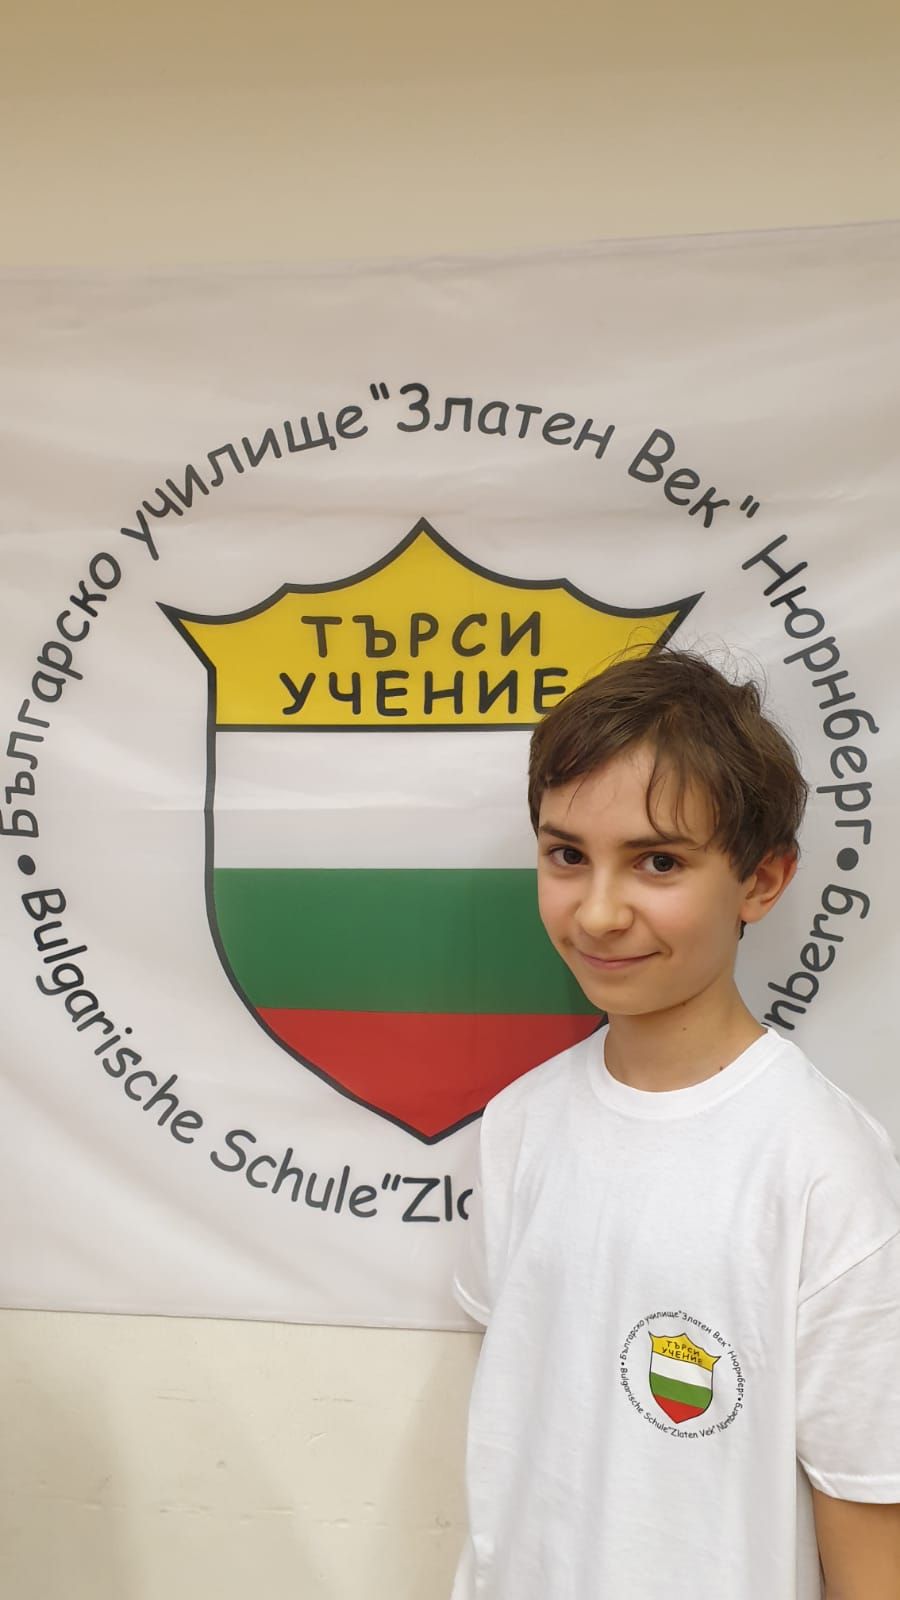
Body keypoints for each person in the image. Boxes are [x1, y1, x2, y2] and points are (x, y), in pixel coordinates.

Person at [451, 648, 900, 1600]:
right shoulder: (519, 1123)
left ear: (762, 881)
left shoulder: (825, 1165)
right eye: (567, 855)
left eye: (658, 862)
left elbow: (871, 1525)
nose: (599, 913)